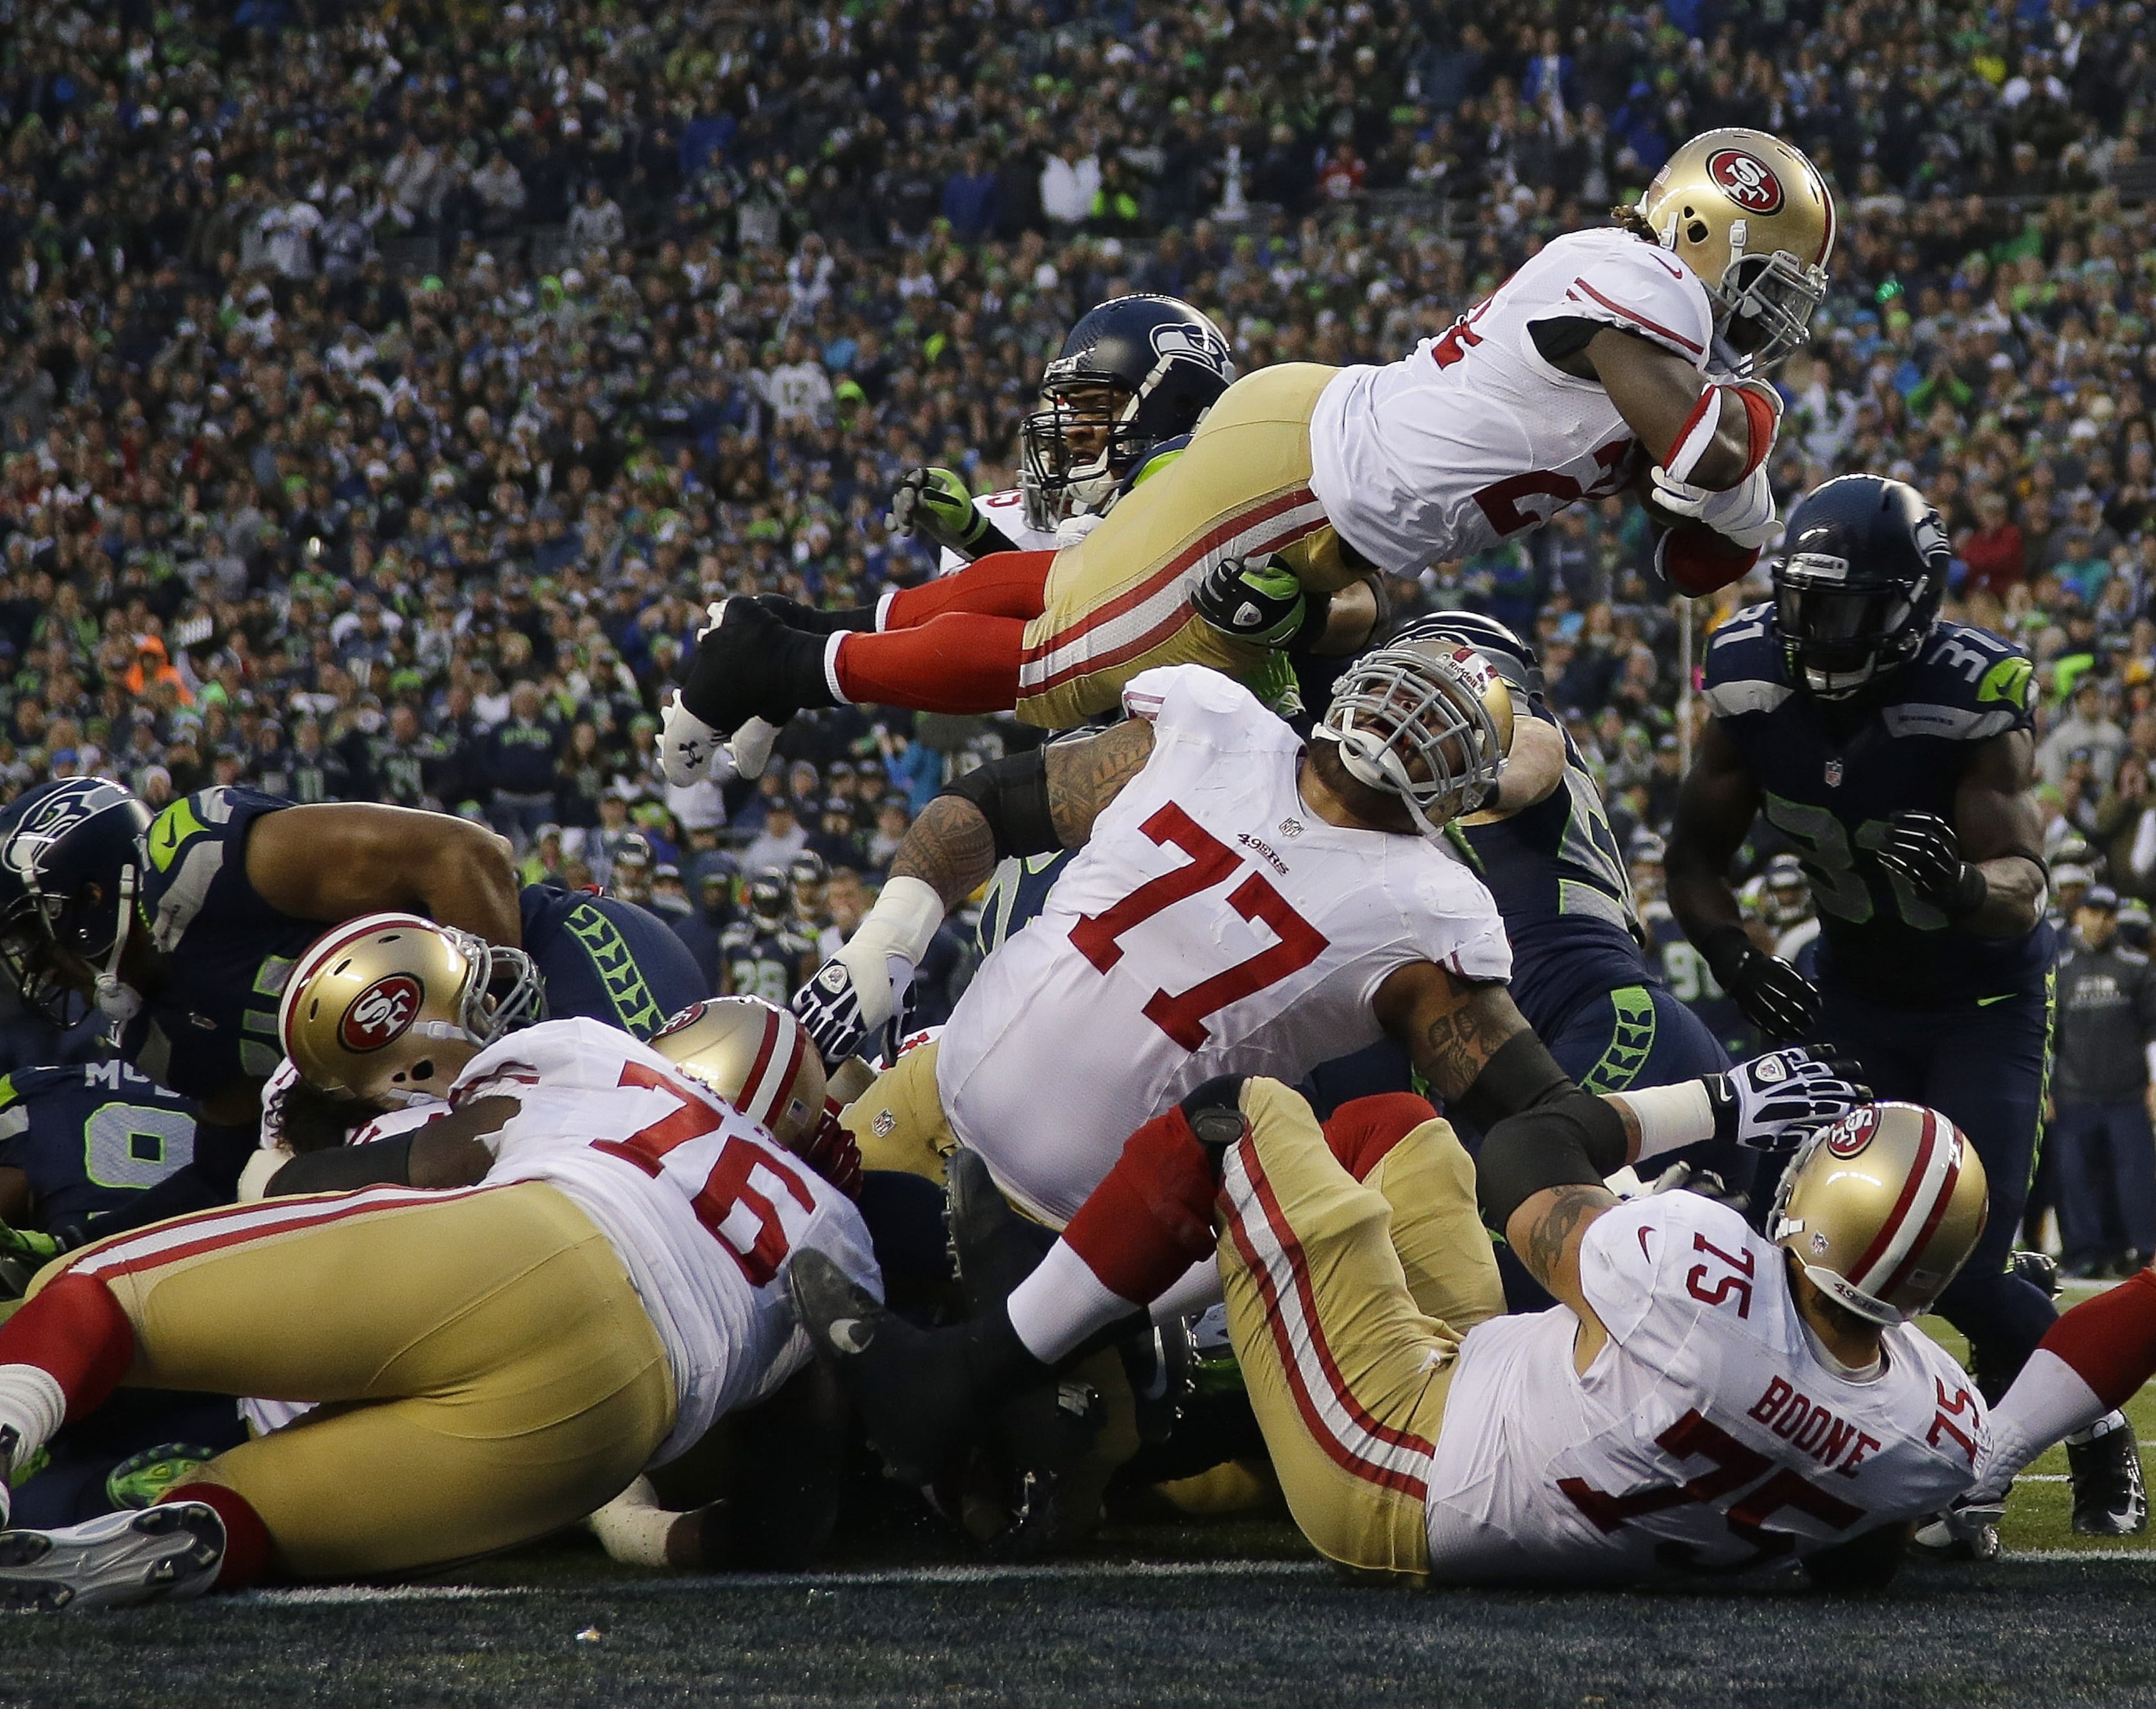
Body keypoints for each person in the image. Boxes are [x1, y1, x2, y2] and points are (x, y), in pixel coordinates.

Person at [661, 129, 1826, 768]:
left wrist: (1726, 494)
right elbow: (1712, 454)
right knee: (1069, 672)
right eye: (1768, 276)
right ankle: (775, 667)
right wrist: (1749, 443)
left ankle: (807, 633)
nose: (1773, 313)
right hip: (1305, 478)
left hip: (1314, 477)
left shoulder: (1655, 332)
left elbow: (1690, 561)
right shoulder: (1643, 281)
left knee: (1076, 589)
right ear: (1700, 228)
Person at [794, 1088, 1962, 1588]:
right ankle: (1117, 1403)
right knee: (1392, 1131)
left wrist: (1708, 1104)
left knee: (1236, 1119)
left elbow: (1524, 1158)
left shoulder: (1704, 1276)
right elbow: (1854, 1553)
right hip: (1504, 1406)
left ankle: (960, 1378)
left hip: (1401, 1461)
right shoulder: (1932, 1425)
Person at [0, 1010, 876, 1608]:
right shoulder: (841, 1238)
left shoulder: (615, 1061)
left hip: (540, 1246)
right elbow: (782, 1520)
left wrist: (292, 1172)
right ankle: (170, 1537)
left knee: (96, 1293)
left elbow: (432, 1162)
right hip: (607, 1434)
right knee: (257, 1510)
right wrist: (657, 1533)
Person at [1665, 473, 2143, 1538]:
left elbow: (2024, 890)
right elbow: (1692, 859)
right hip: (1855, 991)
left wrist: (1964, 888)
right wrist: (1737, 959)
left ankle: (2094, 1422)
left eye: (1843, 609)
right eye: (1801, 603)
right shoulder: (1749, 674)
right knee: (1821, 1241)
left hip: (1982, 998)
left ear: (1913, 605)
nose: (1813, 632)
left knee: (1963, 1251)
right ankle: (1896, 1458)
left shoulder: (1971, 689)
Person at [2050, 885, 2156, 1280]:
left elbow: (2153, 1031)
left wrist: (2154, 1084)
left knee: (2135, 1179)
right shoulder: (2060, 966)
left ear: (2115, 918)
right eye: (2092, 911)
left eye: (2107, 913)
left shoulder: (2136, 966)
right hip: (2074, 1092)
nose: (2099, 920)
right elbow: (2050, 1036)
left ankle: (2143, 1252)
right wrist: (2046, 1089)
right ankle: (2083, 1253)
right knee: (2076, 1179)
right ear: (2078, 915)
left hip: (2126, 1093)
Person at [721, 871, 818, 1004]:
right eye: (765, 902)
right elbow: (726, 990)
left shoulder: (801, 940)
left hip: (782, 1020)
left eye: (774, 903)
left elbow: (807, 997)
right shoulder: (735, 937)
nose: (769, 908)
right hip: (742, 1019)